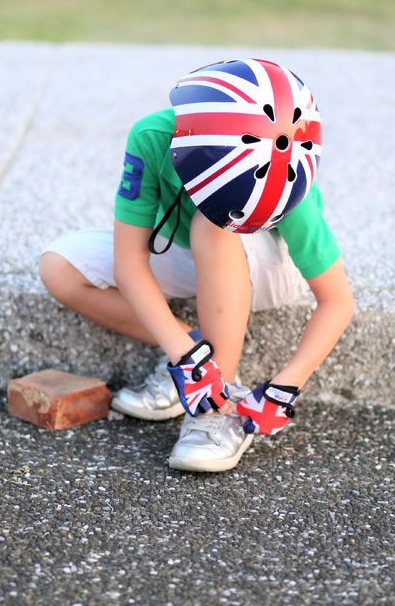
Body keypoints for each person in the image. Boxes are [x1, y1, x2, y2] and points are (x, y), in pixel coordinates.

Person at [38, 58, 354, 472]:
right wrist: (185, 352)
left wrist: (285, 386)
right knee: (59, 268)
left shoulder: (289, 173)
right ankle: (202, 357)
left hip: (270, 271)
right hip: (192, 252)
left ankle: (216, 409)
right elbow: (129, 262)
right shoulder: (153, 136)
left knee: (212, 224)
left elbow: (337, 301)